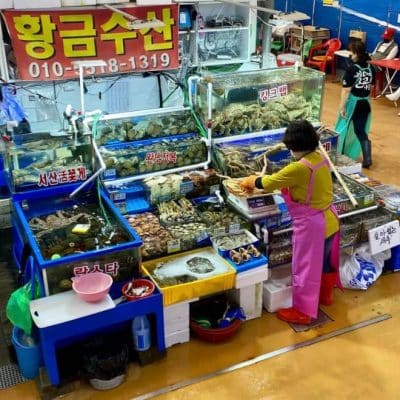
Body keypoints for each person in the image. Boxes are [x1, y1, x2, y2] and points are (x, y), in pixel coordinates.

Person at [240, 120, 341, 325]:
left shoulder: (299, 168)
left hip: (313, 226)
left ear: (293, 146)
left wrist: (251, 180)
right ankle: (326, 297)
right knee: (325, 263)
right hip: (331, 220)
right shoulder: (321, 158)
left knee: (305, 270)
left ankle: (303, 312)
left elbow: (268, 182)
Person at [335, 41, 375, 168]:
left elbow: (346, 91)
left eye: (351, 53)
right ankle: (367, 159)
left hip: (353, 104)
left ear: (356, 54)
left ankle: (337, 153)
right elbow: (371, 86)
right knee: (360, 130)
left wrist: (341, 107)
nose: (350, 55)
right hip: (365, 104)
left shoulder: (352, 69)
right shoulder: (371, 68)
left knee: (342, 128)